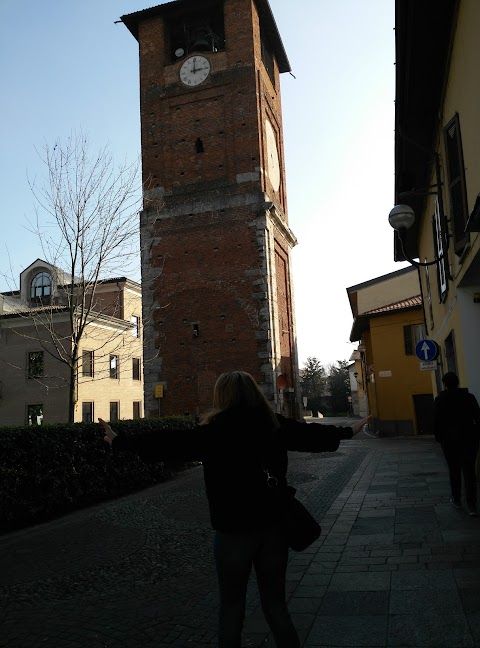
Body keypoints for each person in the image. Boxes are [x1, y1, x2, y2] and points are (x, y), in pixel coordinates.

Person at [99, 371, 370, 648]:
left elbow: (169, 444)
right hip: (273, 529)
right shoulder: (274, 425)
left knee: (231, 609)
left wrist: (120, 441)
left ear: (222, 396)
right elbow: (311, 436)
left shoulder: (213, 432)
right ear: (254, 393)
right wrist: (350, 430)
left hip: (233, 532)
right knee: (276, 606)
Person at [433, 371, 480, 517]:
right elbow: (478, 417)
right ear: (458, 383)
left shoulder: (440, 399)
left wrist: (439, 438)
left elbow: (436, 421)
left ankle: (457, 499)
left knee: (454, 470)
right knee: (469, 472)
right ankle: (472, 505)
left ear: (445, 384)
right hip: (469, 439)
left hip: (449, 441)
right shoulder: (469, 397)